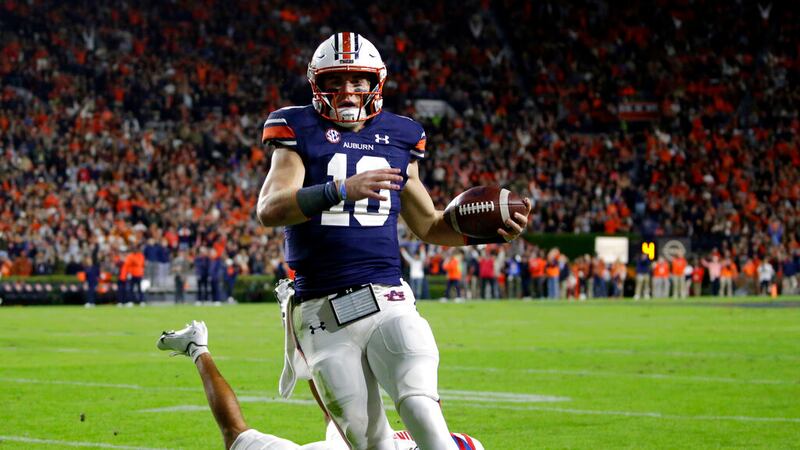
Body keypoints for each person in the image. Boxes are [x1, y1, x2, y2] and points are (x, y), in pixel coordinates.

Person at [256, 32, 530, 450]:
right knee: (371, 444)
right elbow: (270, 209)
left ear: (375, 82)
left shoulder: (402, 135)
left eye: (357, 81)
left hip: (387, 297)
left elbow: (431, 225)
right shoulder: (295, 127)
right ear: (317, 84)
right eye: (335, 81)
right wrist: (340, 189)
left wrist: (482, 236)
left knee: (422, 408)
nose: (347, 91)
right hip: (320, 312)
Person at [156, 321, 484, 450]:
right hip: (372, 440)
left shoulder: (465, 442)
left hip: (354, 444)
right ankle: (197, 345)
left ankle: (197, 346)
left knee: (238, 436)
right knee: (237, 436)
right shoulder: (466, 444)